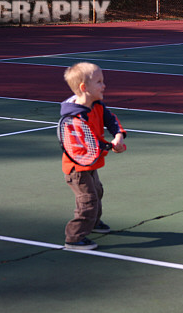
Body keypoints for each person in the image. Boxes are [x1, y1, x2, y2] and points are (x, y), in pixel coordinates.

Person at [60, 62, 127, 250]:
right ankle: (74, 237)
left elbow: (111, 120)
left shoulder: (97, 105)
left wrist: (118, 136)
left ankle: (94, 223)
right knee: (87, 200)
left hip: (92, 164)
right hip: (77, 168)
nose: (104, 85)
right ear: (84, 88)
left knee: (97, 192)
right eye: (99, 82)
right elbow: (87, 146)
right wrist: (110, 146)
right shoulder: (74, 119)